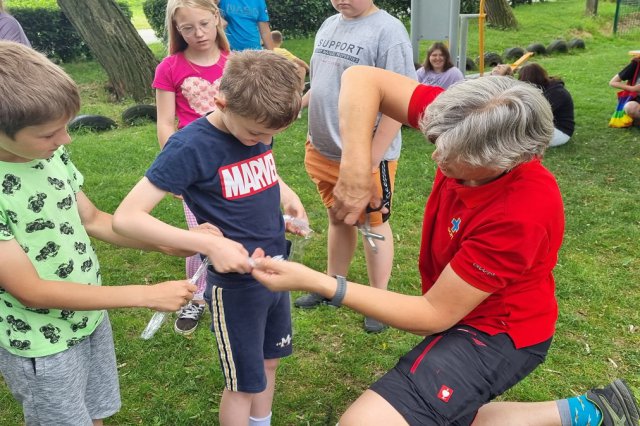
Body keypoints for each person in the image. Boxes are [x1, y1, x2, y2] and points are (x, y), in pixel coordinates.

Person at [251, 67, 640, 426]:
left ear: (504, 160)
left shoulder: (521, 212)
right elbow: (361, 78)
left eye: (454, 158)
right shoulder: (473, 115)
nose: (438, 156)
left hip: (497, 332)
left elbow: (434, 312)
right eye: (436, 142)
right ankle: (586, 412)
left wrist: (321, 283)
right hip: (465, 308)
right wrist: (357, 166)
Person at [0, 40, 215, 425]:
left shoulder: (50, 155)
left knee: (94, 412)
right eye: (49, 133)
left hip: (89, 317)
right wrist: (144, 295)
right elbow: (30, 290)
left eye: (65, 127)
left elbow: (93, 218)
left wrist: (169, 243)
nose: (65, 140)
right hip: (41, 341)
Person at [113, 50, 307, 426]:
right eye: (256, 133)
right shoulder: (189, 147)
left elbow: (259, 167)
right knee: (242, 381)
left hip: (276, 270)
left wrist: (286, 195)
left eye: (271, 135)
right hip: (236, 288)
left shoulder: (257, 125)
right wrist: (209, 243)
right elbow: (126, 218)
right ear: (221, 102)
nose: (263, 140)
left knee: (269, 361)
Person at [293, 0, 417, 334]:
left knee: (373, 224)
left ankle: (380, 299)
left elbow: (401, 102)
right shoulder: (329, 24)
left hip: (367, 158)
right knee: (338, 215)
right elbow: (321, 83)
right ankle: (332, 284)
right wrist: (296, 104)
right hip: (323, 149)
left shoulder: (389, 32)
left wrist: (371, 159)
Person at [154, 0, 230, 335]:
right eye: (188, 28)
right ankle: (196, 296)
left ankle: (228, 293)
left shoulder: (235, 64)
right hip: (195, 168)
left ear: (216, 18)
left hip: (234, 164)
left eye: (203, 24)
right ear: (177, 30)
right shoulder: (169, 67)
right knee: (200, 234)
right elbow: (164, 123)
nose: (198, 34)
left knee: (232, 228)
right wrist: (174, 170)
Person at [519, 63, 575, 147]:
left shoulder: (556, 92)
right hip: (547, 128)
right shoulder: (544, 88)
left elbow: (534, 115)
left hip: (560, 132)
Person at [609, 56, 640, 122]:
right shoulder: (637, 64)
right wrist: (632, 88)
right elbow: (613, 82)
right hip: (638, 102)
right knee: (630, 107)